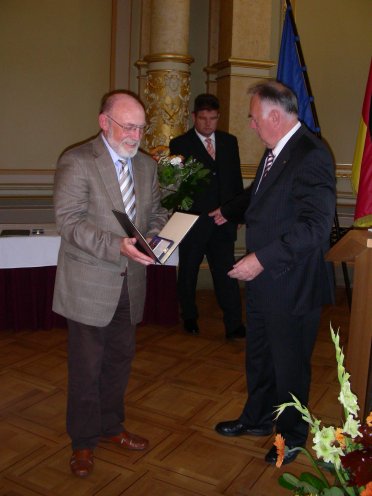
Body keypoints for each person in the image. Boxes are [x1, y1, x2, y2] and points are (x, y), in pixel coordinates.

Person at [210, 81, 336, 465]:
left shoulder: (311, 154)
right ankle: (259, 418)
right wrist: (229, 210)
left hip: (291, 282)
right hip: (266, 282)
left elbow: (315, 226)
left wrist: (261, 259)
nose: (251, 125)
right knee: (260, 356)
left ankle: (293, 435)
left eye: (253, 117)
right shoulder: (277, 151)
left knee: (290, 366)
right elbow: (260, 195)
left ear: (275, 117)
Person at [53, 90, 168, 477]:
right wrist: (117, 246)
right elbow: (68, 222)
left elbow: (157, 212)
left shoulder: (148, 167)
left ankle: (110, 427)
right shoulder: (78, 161)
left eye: (141, 127)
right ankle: (83, 443)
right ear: (105, 122)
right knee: (86, 368)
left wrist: (153, 235)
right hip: (88, 282)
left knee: (119, 363)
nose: (136, 135)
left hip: (131, 284)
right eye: (128, 126)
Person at [169, 94, 245, 340]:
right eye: (203, 118)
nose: (208, 123)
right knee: (189, 272)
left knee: (227, 273)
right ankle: (189, 317)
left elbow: (234, 181)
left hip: (223, 221)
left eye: (213, 118)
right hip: (193, 220)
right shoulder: (180, 144)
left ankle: (234, 324)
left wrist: (235, 211)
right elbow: (180, 185)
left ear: (218, 117)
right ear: (194, 117)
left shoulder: (229, 142)